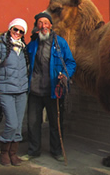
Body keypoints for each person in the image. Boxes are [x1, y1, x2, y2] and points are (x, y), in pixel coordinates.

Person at [21, 11, 76, 162]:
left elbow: (71, 62)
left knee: (55, 123)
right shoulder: (32, 45)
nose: (43, 26)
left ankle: (56, 151)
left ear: (51, 25)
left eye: (46, 23)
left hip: (54, 91)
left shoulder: (60, 43)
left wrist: (65, 75)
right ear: (37, 26)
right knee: (32, 123)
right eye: (40, 23)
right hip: (34, 91)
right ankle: (33, 151)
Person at [0, 18, 29, 166]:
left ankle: (13, 154)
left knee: (18, 125)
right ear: (10, 28)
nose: (17, 33)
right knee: (11, 123)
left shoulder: (23, 48)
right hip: (6, 90)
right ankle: (4, 152)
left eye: (21, 31)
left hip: (21, 91)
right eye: (15, 29)